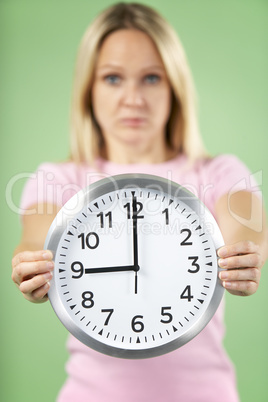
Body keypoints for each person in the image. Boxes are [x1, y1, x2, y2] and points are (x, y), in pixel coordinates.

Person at [11, 2, 267, 401]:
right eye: (113, 78)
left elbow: (246, 233)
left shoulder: (219, 172)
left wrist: (245, 260)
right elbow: (35, 240)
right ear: (88, 89)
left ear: (175, 87)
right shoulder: (59, 179)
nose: (133, 98)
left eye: (151, 78)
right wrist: (32, 267)